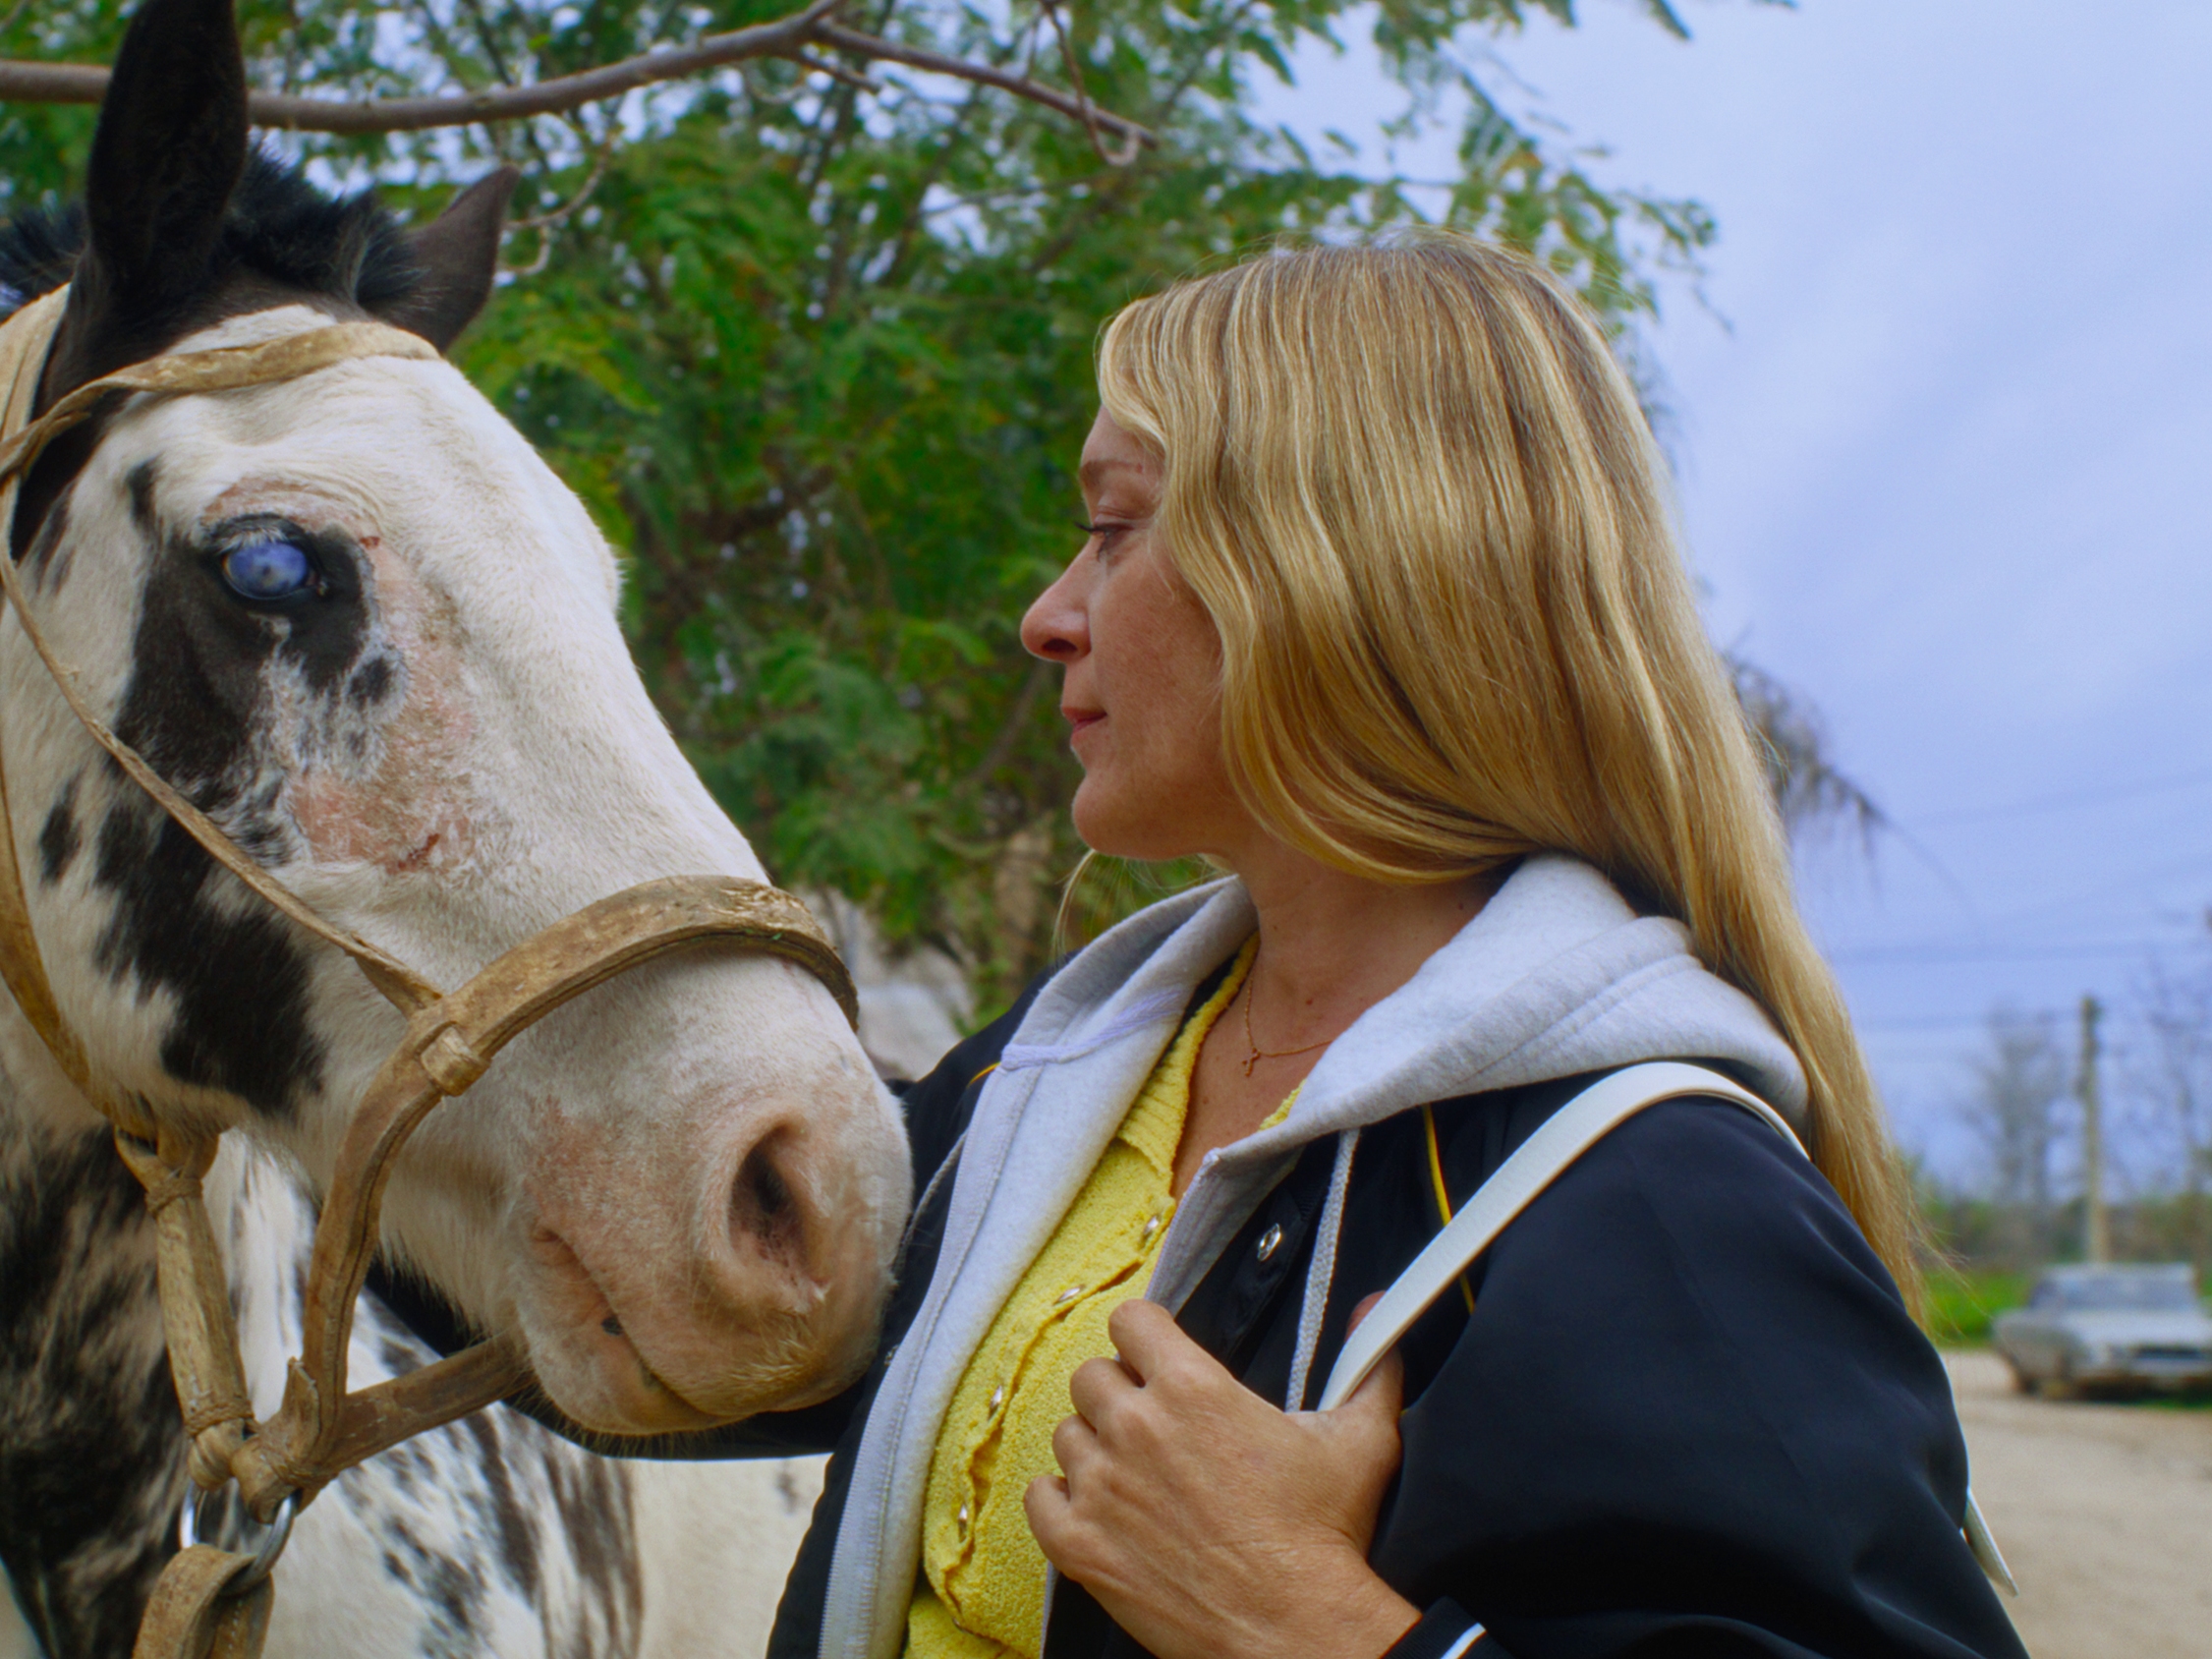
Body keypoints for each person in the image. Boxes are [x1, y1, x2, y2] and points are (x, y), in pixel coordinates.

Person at [401, 233, 2026, 1659]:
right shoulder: (1078, 1065)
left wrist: (1316, 1626)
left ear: (1342, 573)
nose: (1049, 612)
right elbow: (715, 1307)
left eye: (1114, 529)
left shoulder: (1657, 1198)